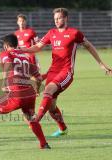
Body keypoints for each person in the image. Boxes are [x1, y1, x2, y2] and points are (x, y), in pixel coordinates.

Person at [22, 8, 112, 137]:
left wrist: (101, 64)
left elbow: (89, 46)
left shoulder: (74, 33)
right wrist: (22, 49)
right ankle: (63, 129)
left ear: (66, 18)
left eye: (59, 18)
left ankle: (36, 121)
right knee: (51, 106)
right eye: (55, 18)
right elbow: (37, 47)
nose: (57, 20)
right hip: (53, 72)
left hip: (66, 72)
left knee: (47, 91)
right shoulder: (51, 33)